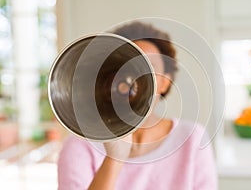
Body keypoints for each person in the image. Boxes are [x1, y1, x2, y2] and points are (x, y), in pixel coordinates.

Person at [57, 22, 217, 190]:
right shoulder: (79, 145)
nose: (135, 78)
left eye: (148, 67)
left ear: (164, 82)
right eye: (127, 67)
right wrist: (114, 159)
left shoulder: (192, 139)